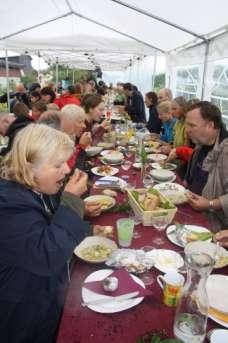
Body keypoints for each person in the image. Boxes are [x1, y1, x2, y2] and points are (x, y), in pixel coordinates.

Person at [0, 124, 90, 342]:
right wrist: (72, 202)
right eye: (58, 164)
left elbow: (45, 225)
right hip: (22, 316)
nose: (67, 170)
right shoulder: (7, 204)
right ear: (30, 167)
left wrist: (77, 211)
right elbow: (47, 254)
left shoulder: (32, 188)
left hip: (41, 298)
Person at [184, 101, 228, 232]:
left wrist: (209, 204)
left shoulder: (225, 152)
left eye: (192, 125)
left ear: (210, 125)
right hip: (192, 209)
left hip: (213, 223)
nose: (187, 130)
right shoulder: (201, 144)